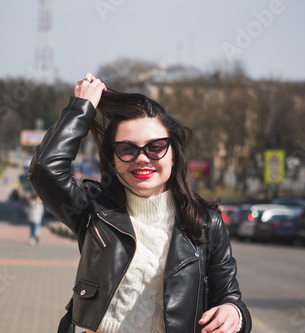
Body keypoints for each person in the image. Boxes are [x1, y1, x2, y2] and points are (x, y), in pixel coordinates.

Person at [28, 73, 251, 333]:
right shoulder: (94, 210)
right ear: (113, 159)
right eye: (127, 149)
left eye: (156, 147)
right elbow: (45, 169)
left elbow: (230, 298)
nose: (142, 158)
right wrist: (81, 109)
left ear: (173, 155)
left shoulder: (205, 222)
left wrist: (233, 314)